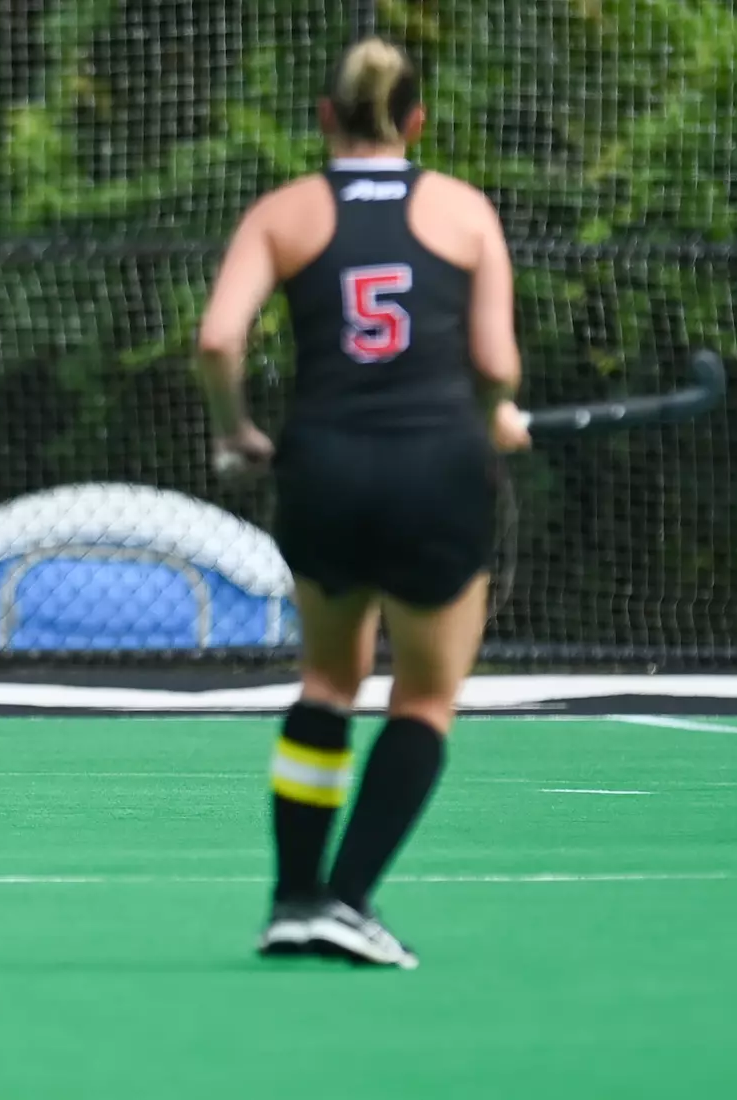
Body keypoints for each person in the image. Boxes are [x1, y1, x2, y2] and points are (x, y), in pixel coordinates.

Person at [193, 38, 531, 967]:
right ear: (416, 120)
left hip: (325, 467)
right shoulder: (463, 210)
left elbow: (220, 338)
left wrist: (236, 433)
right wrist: (499, 416)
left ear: (325, 116)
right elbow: (496, 364)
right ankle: (348, 899)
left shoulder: (285, 212)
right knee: (424, 696)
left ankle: (294, 900)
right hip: (437, 468)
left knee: (328, 684)